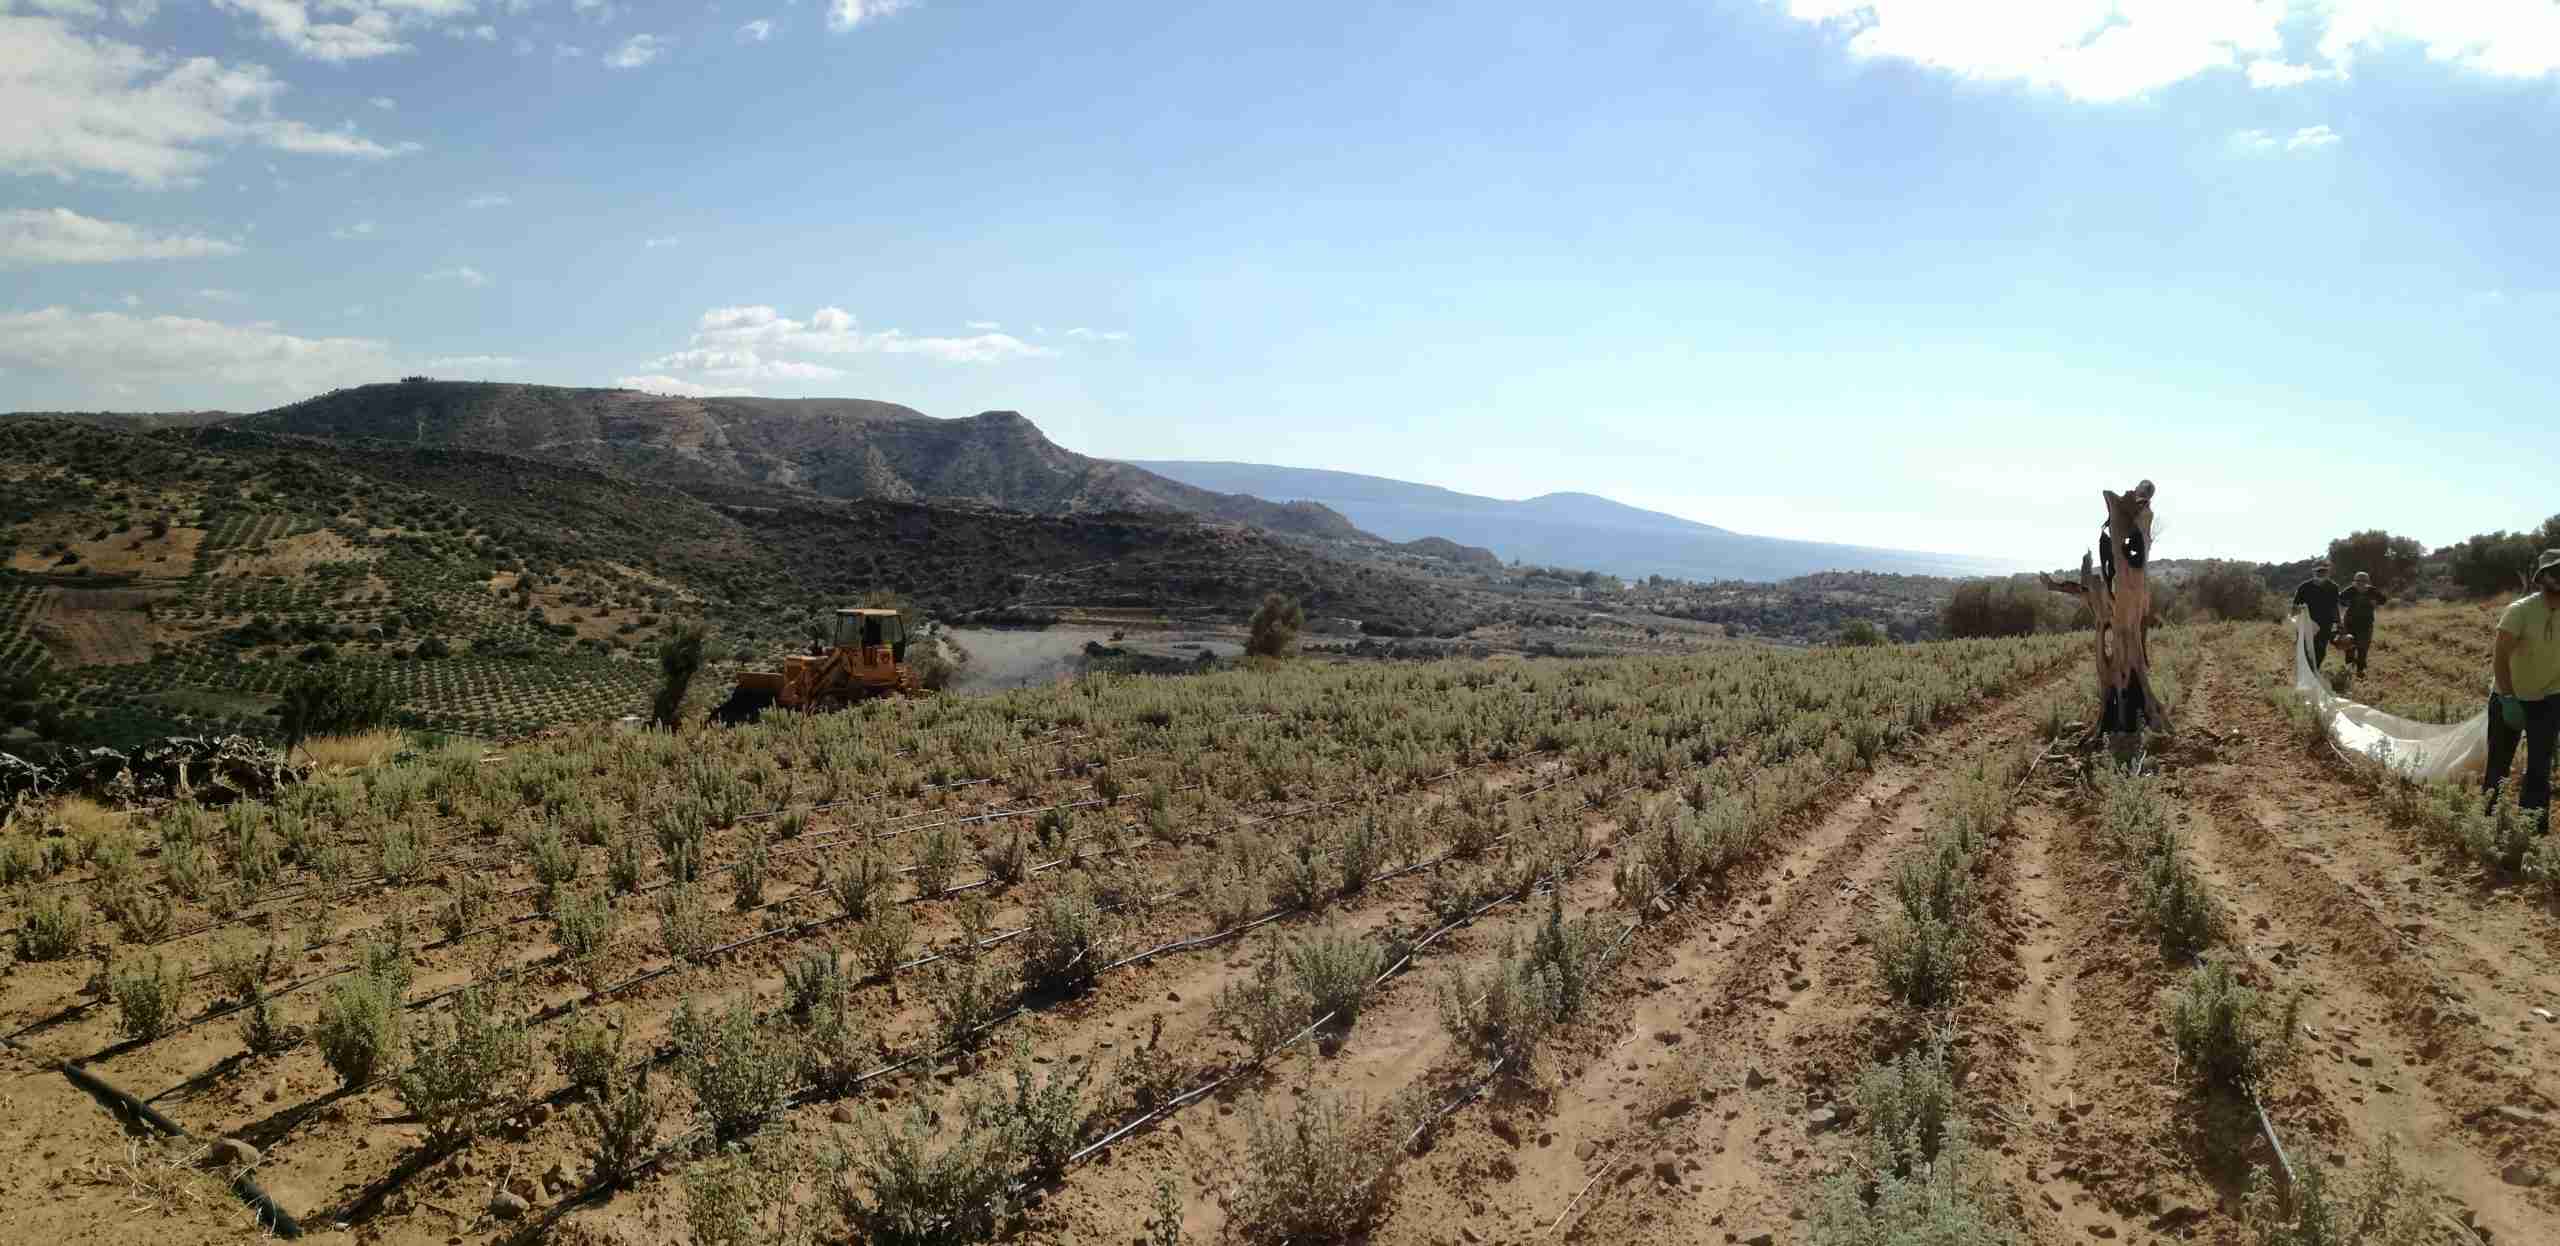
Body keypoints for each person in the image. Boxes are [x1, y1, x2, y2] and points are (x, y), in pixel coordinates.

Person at [2486, 549, 2560, 831]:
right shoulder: (2520, 611)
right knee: (2498, 766)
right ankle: (2491, 824)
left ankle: (2533, 831)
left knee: (2540, 769)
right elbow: (2500, 657)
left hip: (2549, 700)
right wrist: (2507, 697)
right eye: (2556, 571)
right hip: (2511, 697)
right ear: (2543, 577)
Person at [2291, 563, 2342, 670]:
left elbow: (2335, 606)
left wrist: (2338, 622)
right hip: (2308, 622)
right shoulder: (2304, 587)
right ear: (2314, 572)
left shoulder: (2333, 587)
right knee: (2306, 648)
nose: (2321, 573)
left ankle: (2315, 669)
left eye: (2324, 571)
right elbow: (2295, 606)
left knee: (2321, 648)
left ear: (2328, 572)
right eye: (2318, 571)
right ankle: (2307, 669)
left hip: (2326, 622)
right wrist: (2295, 619)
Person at [2339, 571, 2389, 675]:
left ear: (2368, 582)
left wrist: (2376, 602)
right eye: (2358, 581)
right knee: (2349, 647)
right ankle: (2349, 669)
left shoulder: (2372, 591)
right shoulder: (2350, 590)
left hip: (2366, 624)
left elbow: (2383, 600)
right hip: (2350, 623)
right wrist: (2346, 603)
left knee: (2363, 648)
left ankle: (2361, 670)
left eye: (2363, 581)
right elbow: (2340, 599)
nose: (2361, 583)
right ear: (2354, 582)